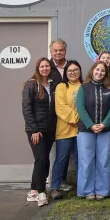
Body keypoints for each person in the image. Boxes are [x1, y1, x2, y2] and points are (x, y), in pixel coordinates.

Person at [76, 61, 110, 200]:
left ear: (106, 73)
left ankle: (102, 190)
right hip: (86, 131)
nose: (99, 72)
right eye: (97, 70)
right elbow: (81, 108)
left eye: (103, 71)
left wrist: (105, 124)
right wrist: (91, 125)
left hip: (106, 130)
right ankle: (86, 191)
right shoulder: (84, 87)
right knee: (86, 161)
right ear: (92, 70)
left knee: (104, 161)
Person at [22, 58, 57, 206]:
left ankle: (33, 190)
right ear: (38, 68)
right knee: (41, 159)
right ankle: (41, 192)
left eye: (47, 66)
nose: (44, 69)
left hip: (49, 130)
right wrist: (34, 130)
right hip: (36, 130)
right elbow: (26, 109)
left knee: (42, 159)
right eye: (42, 66)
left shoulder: (51, 85)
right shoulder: (31, 85)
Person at [50, 61, 83, 200]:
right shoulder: (61, 87)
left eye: (76, 70)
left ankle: (82, 187)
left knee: (81, 160)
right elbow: (61, 107)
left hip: (82, 131)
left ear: (80, 71)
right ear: (65, 73)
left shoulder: (85, 86)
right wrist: (77, 118)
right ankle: (55, 187)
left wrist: (82, 120)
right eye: (70, 70)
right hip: (65, 130)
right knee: (61, 159)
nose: (73, 73)